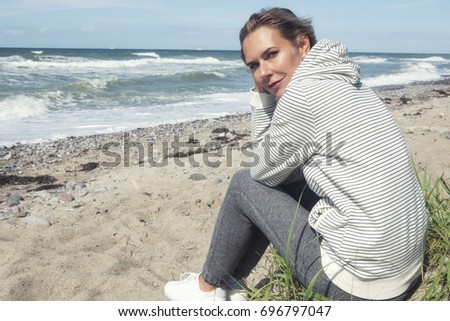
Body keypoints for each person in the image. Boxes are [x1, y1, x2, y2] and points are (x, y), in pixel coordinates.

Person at [164, 7, 428, 301]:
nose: (263, 72)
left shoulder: (303, 96)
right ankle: (232, 282)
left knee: (244, 185)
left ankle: (207, 287)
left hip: (362, 284)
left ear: (302, 45)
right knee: (285, 178)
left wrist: (261, 98)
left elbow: (262, 171)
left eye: (271, 54)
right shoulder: (349, 82)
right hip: (404, 268)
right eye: (253, 65)